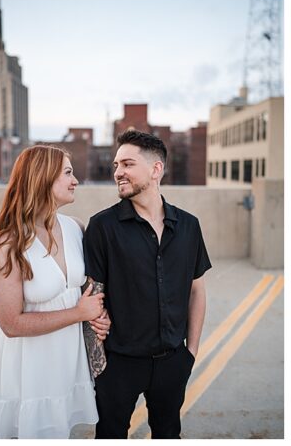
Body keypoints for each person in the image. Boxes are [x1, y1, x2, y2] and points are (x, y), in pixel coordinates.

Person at [0, 145, 111, 439]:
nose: (75, 180)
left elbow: (89, 291)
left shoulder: (75, 227)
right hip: (31, 376)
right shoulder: (7, 245)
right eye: (67, 173)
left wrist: (99, 317)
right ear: (42, 178)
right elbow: (11, 324)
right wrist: (78, 313)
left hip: (67, 367)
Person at [85, 130, 210, 439]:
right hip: (119, 366)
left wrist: (189, 354)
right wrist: (100, 367)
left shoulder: (189, 226)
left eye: (127, 164)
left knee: (168, 434)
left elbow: (197, 291)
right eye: (116, 165)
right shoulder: (102, 226)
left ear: (156, 170)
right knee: (110, 436)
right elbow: (92, 297)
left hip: (172, 361)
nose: (118, 172)